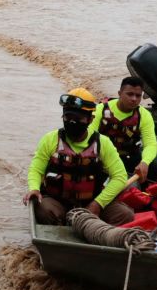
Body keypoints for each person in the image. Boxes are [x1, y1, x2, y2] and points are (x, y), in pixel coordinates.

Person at [23, 88, 134, 226]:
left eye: (78, 119)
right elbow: (36, 169)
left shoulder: (103, 143)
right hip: (58, 202)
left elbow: (120, 177)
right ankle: (62, 228)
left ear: (90, 119)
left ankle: (95, 231)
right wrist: (34, 188)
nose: (72, 122)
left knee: (125, 215)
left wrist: (97, 204)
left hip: (92, 201)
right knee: (43, 210)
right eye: (68, 118)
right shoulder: (50, 140)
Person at [94, 76, 157, 183]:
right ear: (119, 93)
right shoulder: (100, 109)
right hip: (103, 158)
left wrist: (144, 163)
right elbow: (89, 136)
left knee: (155, 169)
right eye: (130, 94)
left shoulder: (144, 115)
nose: (134, 99)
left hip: (128, 157)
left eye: (138, 95)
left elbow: (150, 144)